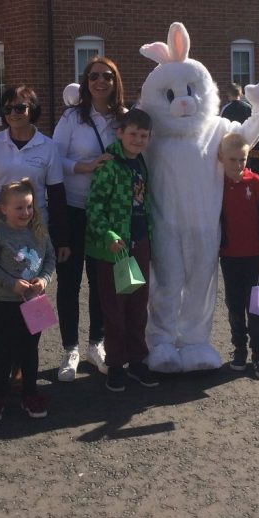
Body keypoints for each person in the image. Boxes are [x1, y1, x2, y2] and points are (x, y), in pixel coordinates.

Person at [0, 84, 70, 386]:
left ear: (33, 111)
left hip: (33, 235)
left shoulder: (48, 146)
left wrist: (62, 238)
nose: (13, 113)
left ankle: (21, 368)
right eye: (8, 108)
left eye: (20, 108)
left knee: (30, 301)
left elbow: (56, 193)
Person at [52, 58, 126, 382]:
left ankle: (97, 344)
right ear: (85, 82)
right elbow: (55, 160)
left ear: (115, 80)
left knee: (100, 281)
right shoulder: (72, 117)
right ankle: (70, 348)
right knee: (69, 282)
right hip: (72, 208)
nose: (100, 81)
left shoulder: (122, 118)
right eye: (93, 76)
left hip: (106, 213)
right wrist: (86, 166)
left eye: (106, 76)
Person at [85, 108, 159, 392]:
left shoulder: (140, 163)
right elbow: (94, 207)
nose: (138, 140)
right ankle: (115, 364)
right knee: (115, 308)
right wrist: (109, 236)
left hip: (139, 242)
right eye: (133, 134)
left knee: (139, 306)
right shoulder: (109, 165)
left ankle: (137, 360)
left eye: (143, 135)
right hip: (113, 248)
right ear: (120, 133)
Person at [0, 179, 56, 422]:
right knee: (1, 352)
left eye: (29, 207)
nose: (26, 213)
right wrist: (11, 283)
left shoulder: (39, 232)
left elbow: (49, 260)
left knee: (29, 352)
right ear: (3, 209)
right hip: (2, 304)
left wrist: (43, 280)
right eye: (19, 208)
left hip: (33, 305)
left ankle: (30, 394)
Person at [218, 133, 259, 380]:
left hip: (257, 259)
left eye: (242, 159)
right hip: (230, 257)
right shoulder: (215, 184)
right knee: (234, 306)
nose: (238, 165)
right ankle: (240, 349)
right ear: (221, 158)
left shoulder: (256, 183)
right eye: (232, 159)